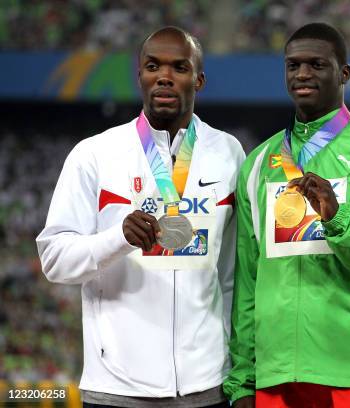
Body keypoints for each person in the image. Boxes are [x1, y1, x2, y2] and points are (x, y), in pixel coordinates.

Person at [36, 26, 245, 407]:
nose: (164, 76)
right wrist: (118, 238)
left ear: (198, 79)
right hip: (117, 388)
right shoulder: (95, 154)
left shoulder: (228, 153)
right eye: (153, 66)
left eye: (179, 67)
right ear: (140, 77)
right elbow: (54, 259)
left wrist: (236, 369)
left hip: (208, 386)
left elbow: (232, 273)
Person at [223, 22, 350, 408]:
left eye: (316, 64)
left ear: (344, 73)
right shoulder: (258, 165)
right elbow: (248, 280)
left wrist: (339, 220)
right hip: (275, 377)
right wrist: (244, 379)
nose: (303, 74)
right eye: (293, 65)